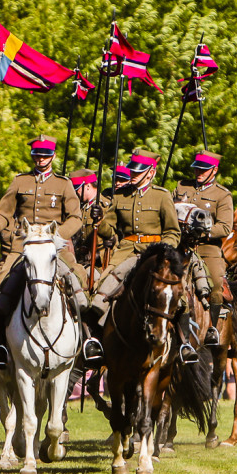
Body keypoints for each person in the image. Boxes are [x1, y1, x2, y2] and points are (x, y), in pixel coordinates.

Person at [0, 137, 87, 363]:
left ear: (53, 155)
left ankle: (87, 341)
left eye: (45, 154)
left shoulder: (63, 184)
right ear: (32, 155)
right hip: (23, 246)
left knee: (80, 287)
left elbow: (76, 217)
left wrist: (57, 237)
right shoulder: (19, 182)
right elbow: (4, 212)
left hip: (54, 246)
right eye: (37, 154)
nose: (41, 158)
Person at [87, 149, 182, 358]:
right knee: (100, 292)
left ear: (151, 172)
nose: (133, 174)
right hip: (126, 251)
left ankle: (183, 342)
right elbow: (108, 231)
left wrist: (163, 250)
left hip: (155, 252)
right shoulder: (120, 195)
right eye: (132, 171)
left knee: (178, 297)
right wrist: (98, 220)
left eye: (138, 172)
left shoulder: (162, 196)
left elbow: (173, 231)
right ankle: (96, 340)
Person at [173, 150, 234, 346]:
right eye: (197, 168)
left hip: (207, 248)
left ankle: (212, 329)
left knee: (216, 284)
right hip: (181, 245)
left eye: (204, 169)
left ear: (214, 170)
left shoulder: (222, 195)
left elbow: (225, 226)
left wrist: (204, 232)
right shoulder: (182, 186)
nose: (199, 172)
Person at [69, 168, 106, 274]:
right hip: (80, 260)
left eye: (78, 189)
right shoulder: (82, 208)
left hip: (97, 263)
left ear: (88, 186)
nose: (76, 193)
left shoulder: (104, 206)